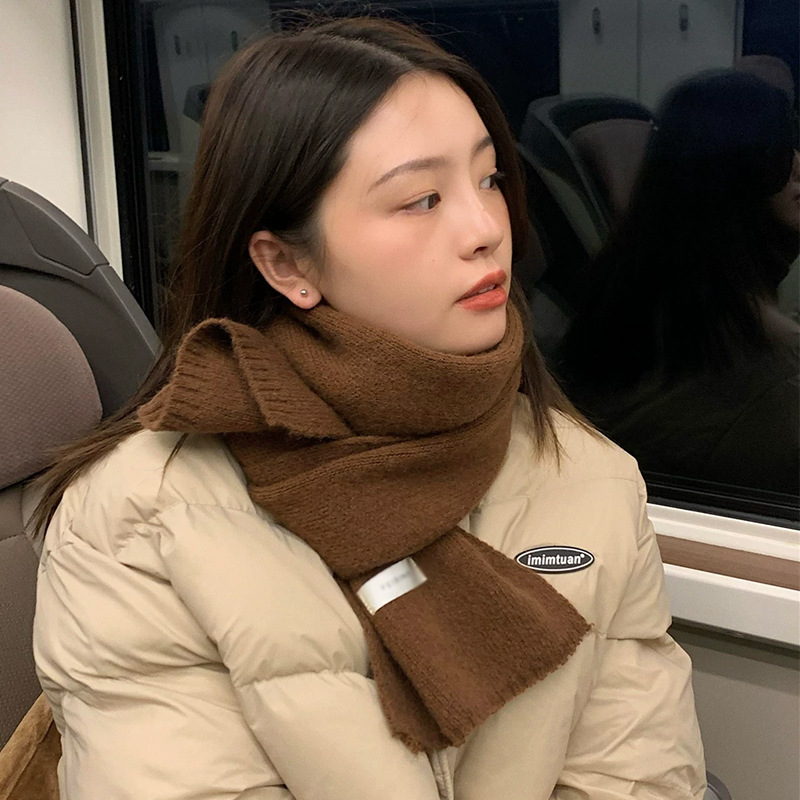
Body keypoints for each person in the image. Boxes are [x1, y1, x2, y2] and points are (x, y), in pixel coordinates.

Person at [30, 17, 705, 799]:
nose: (486, 229)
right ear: (288, 263)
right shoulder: (138, 520)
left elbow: (637, 776)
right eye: (422, 199)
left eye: (490, 179)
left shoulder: (588, 476)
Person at [559, 70, 800, 498]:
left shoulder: (640, 281)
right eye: (779, 151)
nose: (798, 163)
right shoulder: (766, 383)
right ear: (738, 178)